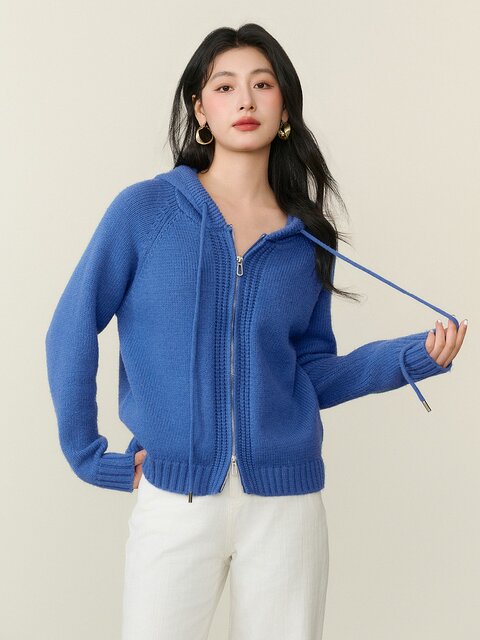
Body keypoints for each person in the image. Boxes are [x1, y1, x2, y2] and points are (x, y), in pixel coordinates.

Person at [45, 23, 467, 640]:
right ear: (200, 110)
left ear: (285, 107)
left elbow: (313, 372)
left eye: (262, 85)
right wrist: (90, 457)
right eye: (225, 87)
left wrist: (413, 357)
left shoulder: (307, 238)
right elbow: (71, 326)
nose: (245, 100)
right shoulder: (145, 212)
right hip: (175, 503)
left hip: (287, 509)